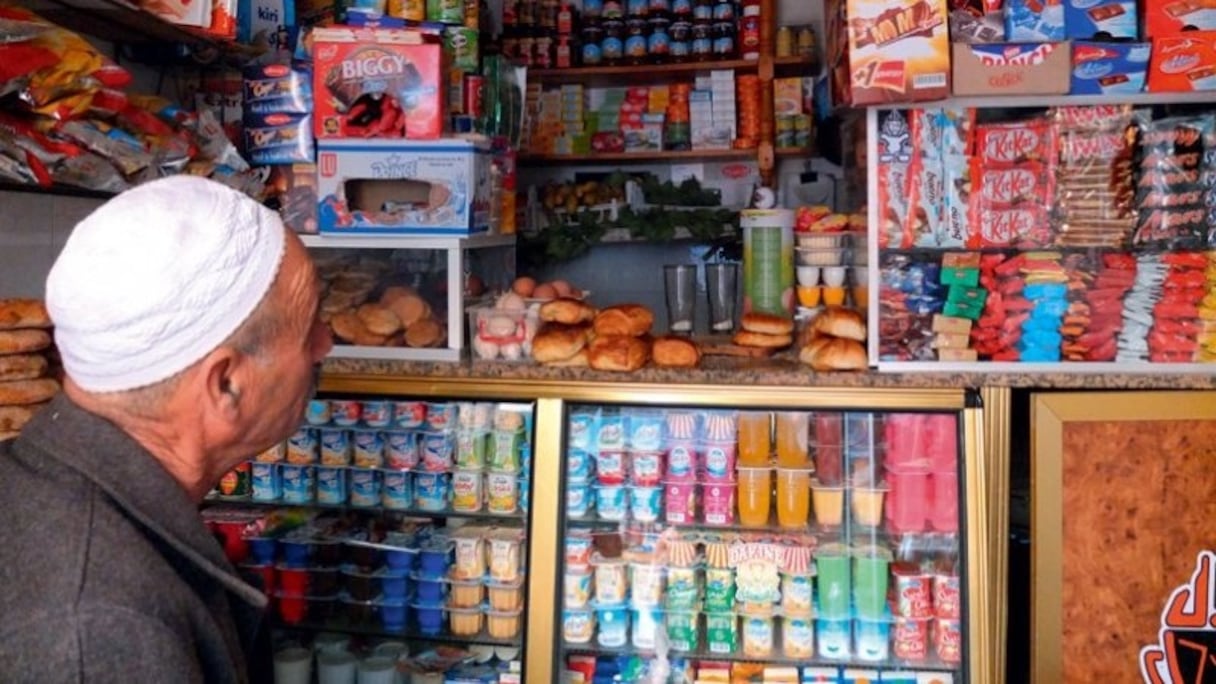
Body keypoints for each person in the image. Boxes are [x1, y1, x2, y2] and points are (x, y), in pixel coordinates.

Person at [0, 175, 333, 682]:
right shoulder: (98, 636)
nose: (325, 344)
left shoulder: (45, 478)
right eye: (309, 326)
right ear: (226, 384)